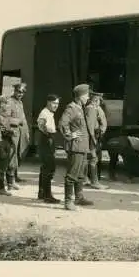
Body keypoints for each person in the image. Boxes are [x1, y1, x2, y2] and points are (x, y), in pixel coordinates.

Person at [58, 83, 95, 211]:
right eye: (87, 95)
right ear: (81, 96)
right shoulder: (72, 108)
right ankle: (68, 202)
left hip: (83, 146)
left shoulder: (81, 108)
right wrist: (70, 134)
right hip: (76, 147)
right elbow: (62, 123)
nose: (88, 97)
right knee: (72, 174)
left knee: (81, 174)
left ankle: (79, 198)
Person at [36, 94, 61, 204]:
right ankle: (47, 195)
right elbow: (40, 125)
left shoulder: (49, 113)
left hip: (47, 139)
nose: (56, 106)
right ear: (48, 102)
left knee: (45, 168)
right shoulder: (44, 113)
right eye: (54, 103)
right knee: (49, 168)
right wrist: (47, 134)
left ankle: (42, 193)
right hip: (46, 140)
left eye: (57, 104)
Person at [84, 91, 108, 190]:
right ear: (94, 100)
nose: (99, 102)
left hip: (94, 136)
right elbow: (90, 125)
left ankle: (85, 179)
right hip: (92, 137)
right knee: (93, 159)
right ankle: (94, 182)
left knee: (88, 158)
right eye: (98, 100)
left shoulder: (94, 108)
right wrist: (93, 138)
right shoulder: (91, 109)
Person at [7, 82, 31, 184]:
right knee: (12, 155)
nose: (20, 94)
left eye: (23, 92)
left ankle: (15, 176)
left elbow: (23, 118)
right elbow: (5, 118)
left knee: (19, 154)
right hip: (13, 132)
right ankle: (10, 179)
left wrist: (27, 132)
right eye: (19, 91)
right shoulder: (9, 102)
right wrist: (18, 122)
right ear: (15, 91)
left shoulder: (20, 102)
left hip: (21, 133)